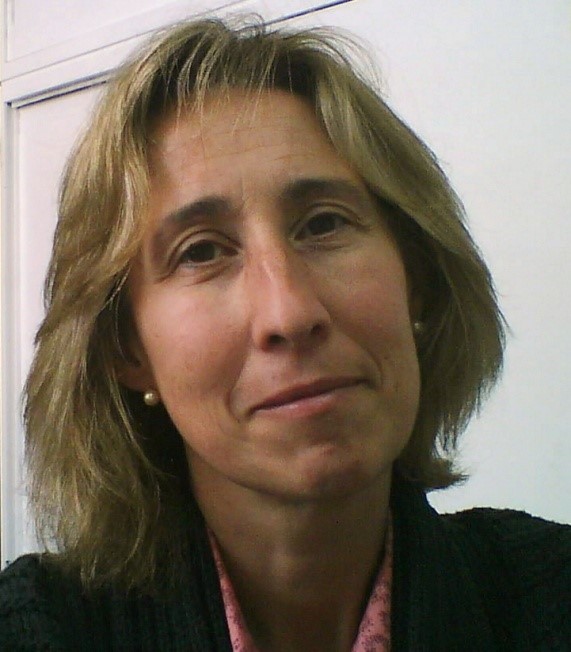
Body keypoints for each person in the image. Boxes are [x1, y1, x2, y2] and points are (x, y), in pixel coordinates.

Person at [0, 17, 569, 652]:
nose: (290, 314)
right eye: (201, 252)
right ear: (128, 350)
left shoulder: (549, 592)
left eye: (324, 224)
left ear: (417, 277)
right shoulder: (43, 626)